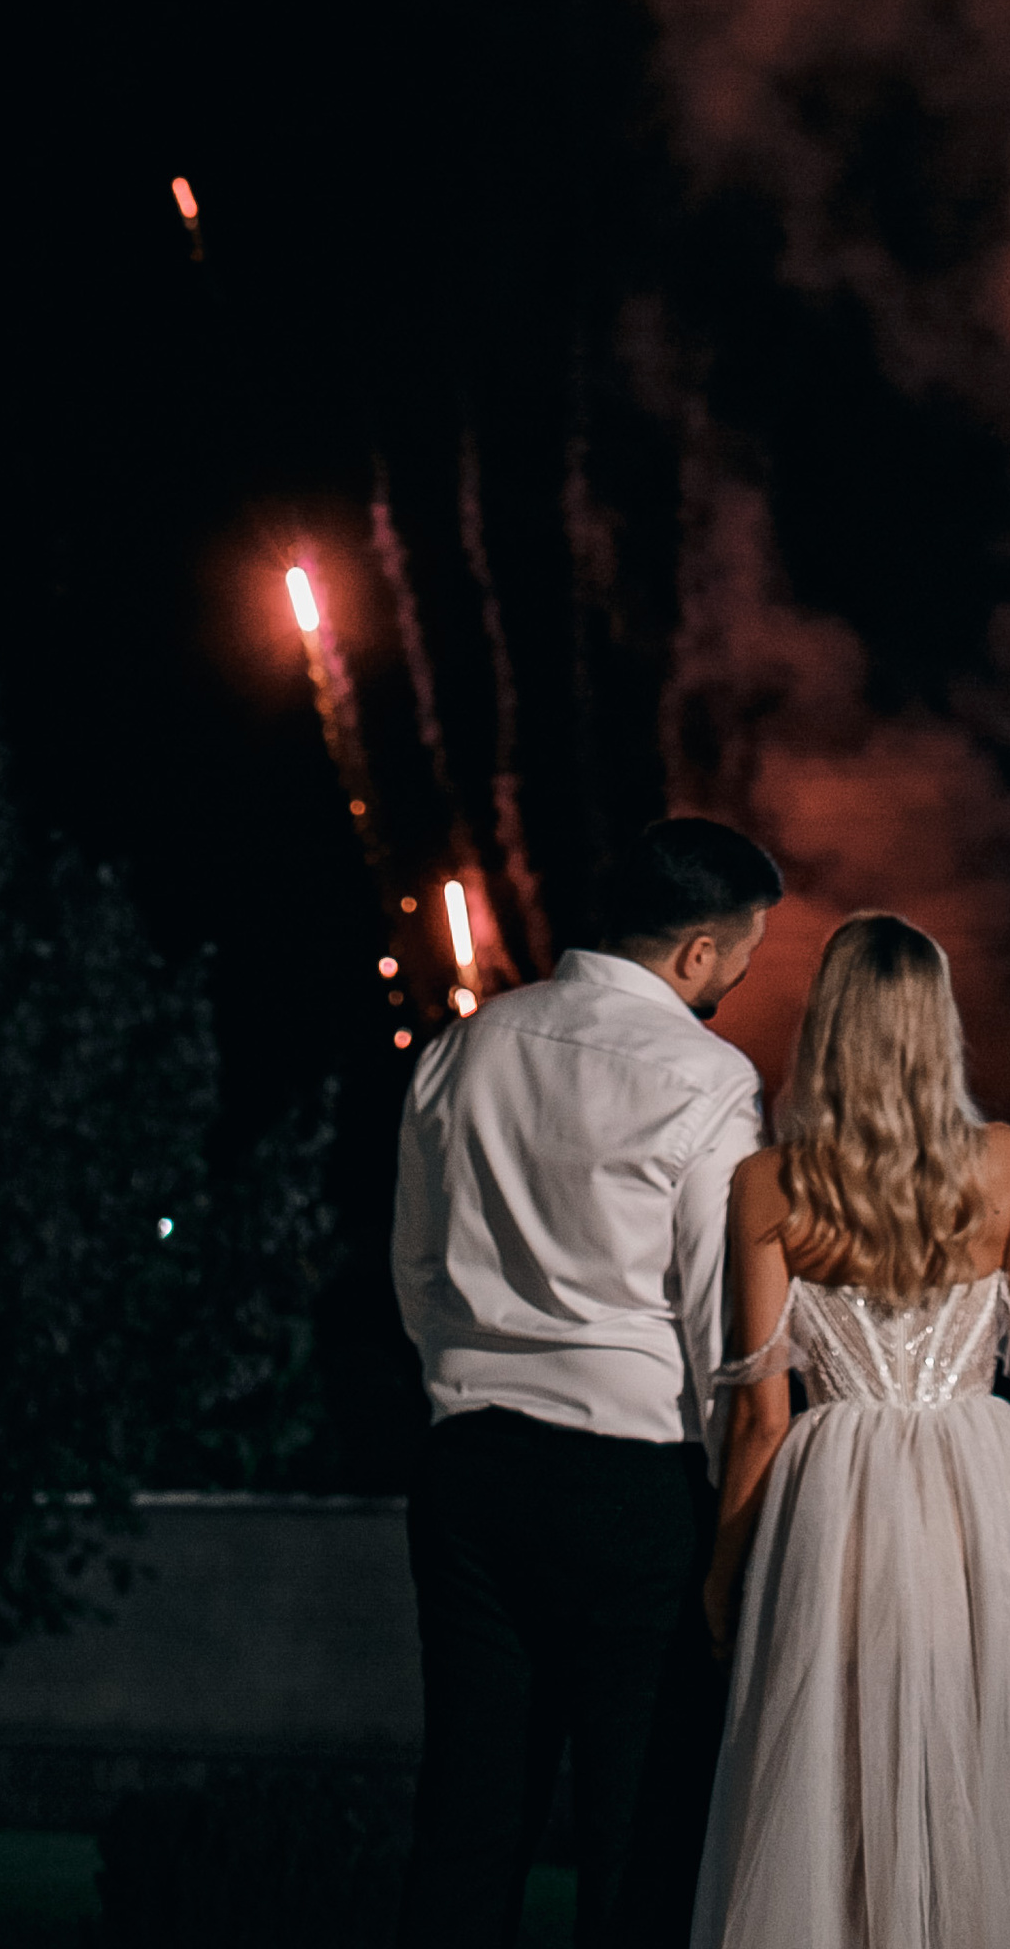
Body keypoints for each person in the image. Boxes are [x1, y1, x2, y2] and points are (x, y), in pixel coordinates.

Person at [693, 913, 1010, 1949]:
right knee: (1006, 1768)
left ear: (827, 1028)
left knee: (838, 1786)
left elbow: (760, 1414)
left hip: (837, 1507)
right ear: (939, 1026)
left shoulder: (768, 1184)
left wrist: (726, 1570)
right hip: (986, 1496)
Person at [392, 815, 785, 1949]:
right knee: (639, 1828)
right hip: (633, 1487)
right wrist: (730, 1513)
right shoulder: (708, 1076)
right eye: (747, 948)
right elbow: (722, 1323)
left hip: (469, 1468)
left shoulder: (467, 1044)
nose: (745, 971)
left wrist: (462, 1378)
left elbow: (416, 1264)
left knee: (468, 1817)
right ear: (699, 951)